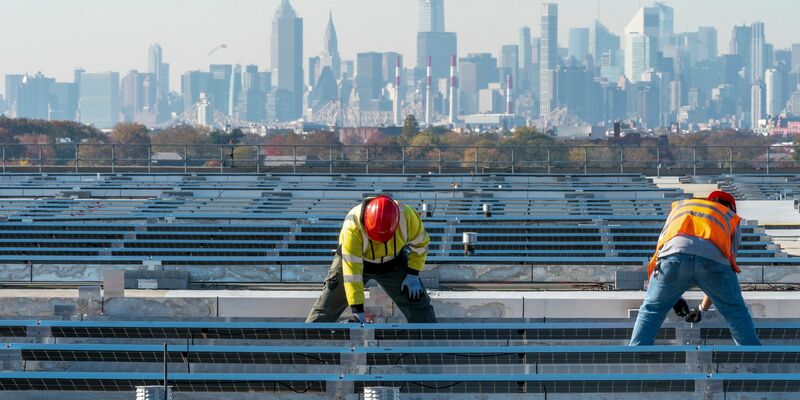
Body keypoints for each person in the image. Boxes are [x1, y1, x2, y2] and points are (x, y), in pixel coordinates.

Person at [630, 191, 760, 346]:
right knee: (735, 312)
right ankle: (752, 357)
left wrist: (675, 300)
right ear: (731, 207)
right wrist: (702, 310)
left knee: (652, 310)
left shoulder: (682, 208)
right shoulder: (729, 216)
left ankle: (637, 353)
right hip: (713, 263)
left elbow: (660, 252)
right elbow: (726, 265)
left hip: (673, 258)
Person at [306, 195, 437, 323]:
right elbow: (353, 274)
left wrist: (412, 274)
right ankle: (307, 340)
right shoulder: (352, 227)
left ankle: (431, 340)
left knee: (419, 307)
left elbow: (421, 245)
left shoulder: (408, 217)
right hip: (357, 262)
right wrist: (357, 309)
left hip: (393, 262)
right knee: (327, 307)